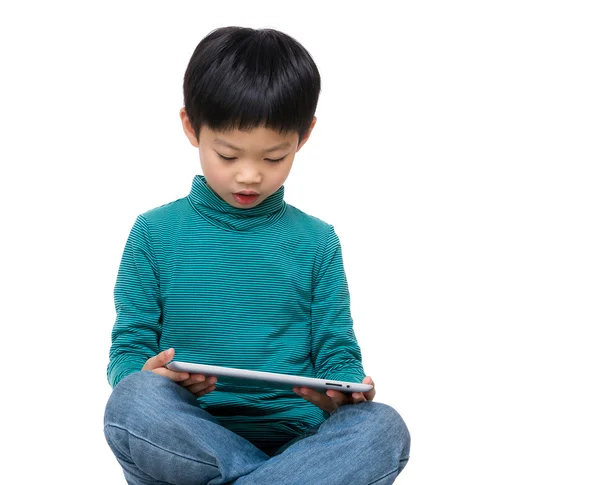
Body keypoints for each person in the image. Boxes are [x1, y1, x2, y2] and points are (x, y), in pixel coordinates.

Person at [103, 26, 410, 485]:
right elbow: (128, 353)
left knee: (383, 428)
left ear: (304, 137)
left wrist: (344, 394)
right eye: (227, 155)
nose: (249, 176)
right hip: (187, 440)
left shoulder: (317, 241)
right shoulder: (153, 233)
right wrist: (147, 374)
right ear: (191, 127)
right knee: (133, 401)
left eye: (273, 158)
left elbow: (338, 354)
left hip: (300, 444)